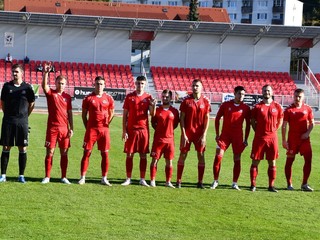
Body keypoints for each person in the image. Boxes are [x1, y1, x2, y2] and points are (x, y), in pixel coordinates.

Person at [0, 64, 35, 183]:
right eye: (13, 72)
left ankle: (21, 175)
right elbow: (2, 103)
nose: (14, 74)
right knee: (6, 147)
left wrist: (24, 116)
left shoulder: (28, 88)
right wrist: (8, 115)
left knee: (22, 147)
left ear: (22, 73)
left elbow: (31, 105)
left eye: (16, 72)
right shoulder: (6, 86)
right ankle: (3, 175)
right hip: (8, 121)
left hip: (22, 122)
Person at [211, 86, 251, 190]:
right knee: (218, 156)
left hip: (238, 137)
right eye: (239, 94)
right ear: (234, 94)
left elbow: (248, 125)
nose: (241, 96)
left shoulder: (246, 108)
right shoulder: (226, 105)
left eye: (243, 94)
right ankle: (215, 181)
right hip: (225, 136)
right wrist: (217, 134)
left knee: (237, 159)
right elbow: (217, 118)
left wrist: (246, 139)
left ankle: (234, 183)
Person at [78, 76, 114, 185]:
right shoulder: (88, 98)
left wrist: (107, 124)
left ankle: (104, 178)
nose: (99, 86)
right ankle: (82, 177)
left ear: (104, 85)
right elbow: (84, 115)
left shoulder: (108, 98)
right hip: (91, 130)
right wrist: (87, 127)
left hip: (104, 130)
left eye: (101, 84)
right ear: (94, 84)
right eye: (97, 84)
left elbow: (112, 113)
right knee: (86, 153)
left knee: (105, 154)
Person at [41, 62, 73, 184]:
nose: (61, 85)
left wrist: (72, 128)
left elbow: (69, 114)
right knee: (50, 152)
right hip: (52, 128)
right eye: (59, 83)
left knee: (64, 152)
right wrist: (46, 73)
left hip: (64, 129)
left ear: (66, 85)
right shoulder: (51, 94)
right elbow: (44, 86)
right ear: (55, 83)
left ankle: (63, 176)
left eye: (63, 83)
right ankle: (47, 176)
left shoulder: (68, 97)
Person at [121, 75, 156, 187]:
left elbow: (152, 114)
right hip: (131, 130)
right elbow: (125, 114)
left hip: (143, 130)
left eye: (142, 84)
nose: (140, 85)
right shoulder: (129, 97)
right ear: (135, 84)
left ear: (145, 85)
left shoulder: (148, 97)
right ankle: (128, 178)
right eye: (138, 83)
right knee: (129, 154)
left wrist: (153, 106)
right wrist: (124, 130)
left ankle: (142, 179)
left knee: (143, 155)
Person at [176, 79, 211, 189]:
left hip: (199, 134)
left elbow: (207, 118)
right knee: (183, 154)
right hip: (187, 133)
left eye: (197, 86)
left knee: (201, 155)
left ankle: (200, 182)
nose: (195, 87)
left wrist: (204, 135)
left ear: (201, 87)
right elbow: (181, 118)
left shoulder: (205, 101)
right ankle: (178, 181)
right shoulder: (186, 101)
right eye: (194, 86)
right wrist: (183, 134)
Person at [250, 85, 283, 192]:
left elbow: (280, 119)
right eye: (265, 91)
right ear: (262, 92)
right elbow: (253, 121)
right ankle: (253, 185)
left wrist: (274, 130)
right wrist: (259, 131)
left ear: (272, 92)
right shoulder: (257, 107)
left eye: (268, 91)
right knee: (255, 161)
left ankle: (271, 186)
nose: (266, 92)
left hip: (272, 138)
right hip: (259, 138)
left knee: (272, 162)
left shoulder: (277, 106)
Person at [282, 89, 314, 191]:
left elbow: (312, 123)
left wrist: (307, 133)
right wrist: (284, 140)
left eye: (299, 96)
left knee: (308, 160)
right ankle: (289, 184)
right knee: (289, 161)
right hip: (292, 140)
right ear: (293, 96)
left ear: (303, 97)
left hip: (304, 139)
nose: (297, 98)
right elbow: (284, 126)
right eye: (296, 96)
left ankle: (304, 184)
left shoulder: (307, 109)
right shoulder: (288, 110)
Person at [149, 89, 180, 188]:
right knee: (154, 160)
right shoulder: (157, 110)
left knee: (169, 161)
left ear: (171, 98)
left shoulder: (174, 111)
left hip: (170, 140)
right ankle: (152, 180)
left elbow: (175, 125)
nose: (165, 98)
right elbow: (153, 122)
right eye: (163, 96)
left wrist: (168, 130)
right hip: (158, 139)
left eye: (167, 97)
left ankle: (168, 181)